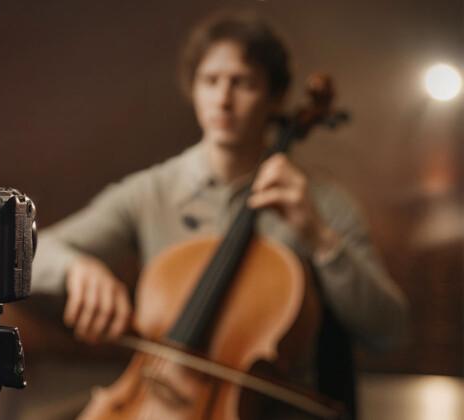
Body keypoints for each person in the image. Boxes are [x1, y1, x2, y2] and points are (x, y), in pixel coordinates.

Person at [32, 11, 407, 416]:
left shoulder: (322, 204)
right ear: (194, 89)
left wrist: (319, 237)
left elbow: (388, 333)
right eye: (210, 81)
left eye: (243, 83)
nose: (223, 99)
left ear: (275, 97)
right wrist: (77, 269)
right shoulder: (150, 191)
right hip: (152, 395)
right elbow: (31, 255)